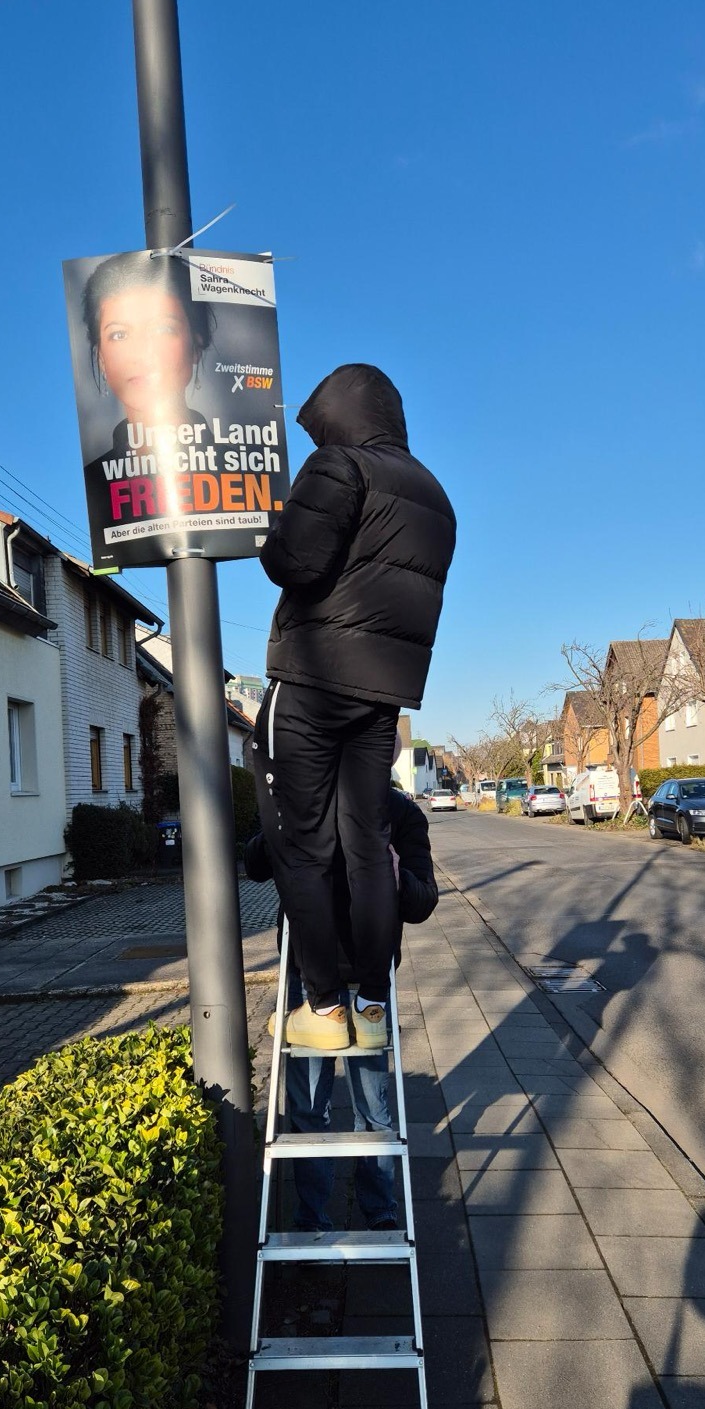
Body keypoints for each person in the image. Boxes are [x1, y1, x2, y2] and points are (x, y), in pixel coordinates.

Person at [252, 363, 456, 1050]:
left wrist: (276, 528)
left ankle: (323, 1008)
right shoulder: (435, 495)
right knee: (367, 845)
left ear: (339, 417)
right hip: (383, 694)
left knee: (301, 848)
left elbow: (295, 564)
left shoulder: (340, 465)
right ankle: (371, 1008)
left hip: (312, 680)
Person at [245, 772, 439, 1231]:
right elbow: (254, 864)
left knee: (373, 1105)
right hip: (306, 977)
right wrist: (283, 819)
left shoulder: (400, 812)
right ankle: (312, 1217)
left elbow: (423, 902)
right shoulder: (304, 798)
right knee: (309, 1107)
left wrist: (396, 874)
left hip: (368, 982)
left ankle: (380, 1209)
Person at [80, 251, 214, 520]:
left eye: (163, 328)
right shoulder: (97, 483)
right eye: (119, 334)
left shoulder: (249, 469)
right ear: (101, 358)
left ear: (196, 345)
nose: (141, 352)